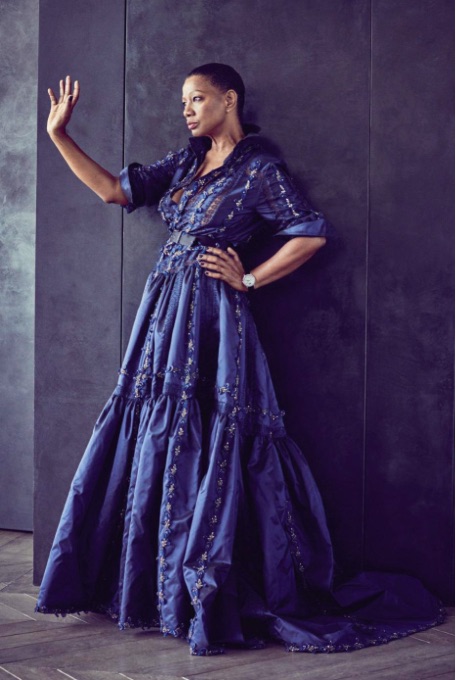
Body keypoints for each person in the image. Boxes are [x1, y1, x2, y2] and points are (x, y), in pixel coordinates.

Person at [36, 63, 444, 656]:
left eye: (197, 98)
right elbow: (112, 191)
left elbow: (310, 233)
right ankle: (146, 588)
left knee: (212, 435)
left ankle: (201, 590)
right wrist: (59, 134)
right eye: (183, 100)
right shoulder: (185, 162)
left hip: (212, 316)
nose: (186, 109)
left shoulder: (259, 171)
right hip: (162, 313)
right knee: (153, 428)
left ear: (229, 100)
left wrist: (249, 278)